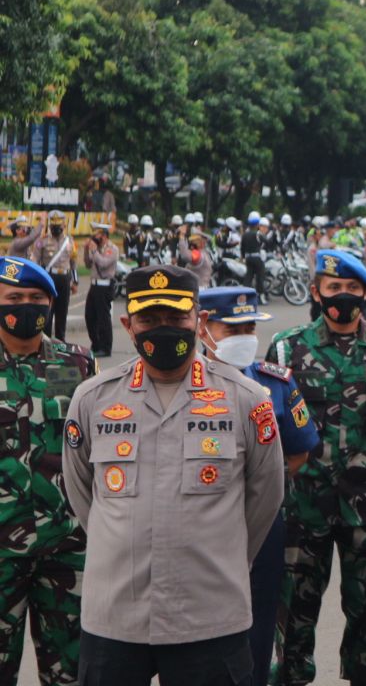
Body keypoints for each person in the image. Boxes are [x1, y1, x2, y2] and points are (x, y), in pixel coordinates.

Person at [61, 264, 285, 686]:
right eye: (148, 319)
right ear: (128, 325)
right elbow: (83, 497)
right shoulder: (92, 399)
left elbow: (265, 498)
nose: (162, 329)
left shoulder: (246, 399)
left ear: (198, 320)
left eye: (175, 318)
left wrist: (223, 557)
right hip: (116, 617)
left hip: (209, 615)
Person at [269, 250, 366, 686]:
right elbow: (273, 425)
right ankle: (290, 677)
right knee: (294, 605)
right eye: (333, 288)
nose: (342, 296)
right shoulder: (288, 347)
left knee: (365, 604)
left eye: (351, 289)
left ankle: (362, 677)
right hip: (304, 502)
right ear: (316, 292)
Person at [196, 286, 320, 686]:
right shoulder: (181, 383)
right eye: (231, 328)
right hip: (195, 525)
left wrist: (255, 487)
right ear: (202, 326)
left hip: (260, 524)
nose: (244, 337)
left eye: (249, 327)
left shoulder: (275, 383)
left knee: (258, 627)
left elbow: (299, 452)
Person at [0, 256, 95, 685]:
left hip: (67, 548)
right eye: (14, 298)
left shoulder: (78, 364)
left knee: (73, 673)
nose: (26, 305)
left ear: (51, 304)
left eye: (36, 298)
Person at [33, 210, 78, 340]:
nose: (56, 229)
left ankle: (60, 342)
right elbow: (35, 260)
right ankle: (45, 341)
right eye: (53, 226)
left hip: (65, 278)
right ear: (49, 226)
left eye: (58, 226)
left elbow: (73, 262)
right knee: (48, 311)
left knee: (62, 312)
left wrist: (75, 282)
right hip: (49, 278)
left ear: (64, 225)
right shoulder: (42, 241)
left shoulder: (70, 241)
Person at [83, 222, 119, 358]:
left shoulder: (112, 249)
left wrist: (93, 251)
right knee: (90, 316)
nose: (94, 237)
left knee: (103, 317)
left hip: (105, 286)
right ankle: (96, 343)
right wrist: (87, 250)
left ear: (103, 235)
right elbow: (87, 264)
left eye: (97, 234)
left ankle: (106, 347)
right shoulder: (95, 248)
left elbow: (103, 264)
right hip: (94, 285)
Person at [241, 217, 267, 303]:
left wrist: (243, 257)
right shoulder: (257, 234)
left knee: (248, 277)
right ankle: (262, 297)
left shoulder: (245, 234)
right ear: (257, 225)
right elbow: (266, 241)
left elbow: (242, 248)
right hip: (257, 258)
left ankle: (245, 296)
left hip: (248, 258)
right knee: (260, 277)